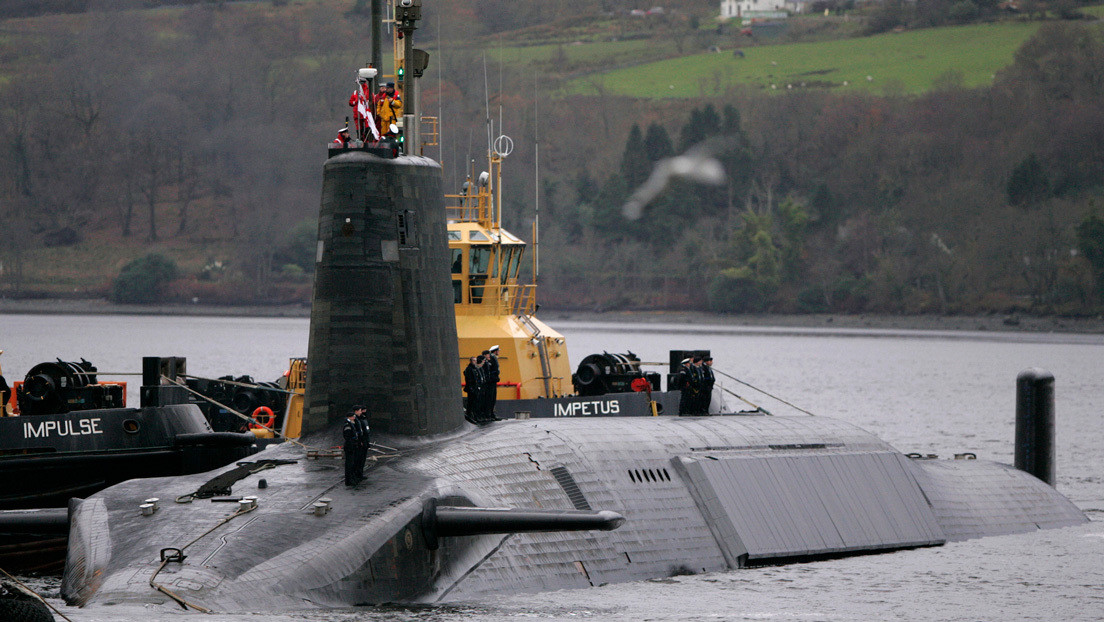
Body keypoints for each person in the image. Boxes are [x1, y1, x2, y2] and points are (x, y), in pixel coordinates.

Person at [348, 77, 380, 142]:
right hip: (357, 114)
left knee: (366, 128)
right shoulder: (356, 92)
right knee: (359, 129)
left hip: (365, 114)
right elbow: (351, 102)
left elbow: (373, 101)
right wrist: (355, 102)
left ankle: (366, 139)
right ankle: (360, 139)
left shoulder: (367, 92)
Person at [342, 409, 363, 486]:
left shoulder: (352, 424)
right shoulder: (348, 426)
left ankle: (352, 478)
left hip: (353, 445)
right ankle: (349, 480)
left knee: (353, 463)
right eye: (353, 417)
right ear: (350, 417)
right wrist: (352, 444)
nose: (354, 418)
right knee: (349, 464)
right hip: (350, 447)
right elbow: (347, 437)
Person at [463, 356, 483, 424]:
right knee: (471, 402)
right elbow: (469, 379)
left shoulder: (474, 369)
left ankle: (474, 416)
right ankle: (470, 415)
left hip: (475, 388)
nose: (475, 362)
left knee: (475, 403)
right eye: (474, 360)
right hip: (471, 389)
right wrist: (471, 388)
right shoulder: (469, 369)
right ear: (471, 361)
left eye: (476, 360)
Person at [485, 345, 501, 421]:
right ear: (495, 351)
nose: (499, 352)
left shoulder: (493, 358)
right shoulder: (491, 358)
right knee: (490, 398)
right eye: (498, 351)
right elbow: (492, 370)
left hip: (493, 381)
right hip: (491, 381)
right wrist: (494, 377)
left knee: (493, 398)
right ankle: (489, 414)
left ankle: (491, 414)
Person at [354, 405, 371, 476]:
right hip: (360, 442)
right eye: (361, 410)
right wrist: (360, 441)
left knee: (362, 458)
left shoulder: (363, 418)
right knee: (359, 459)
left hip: (365, 440)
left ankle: (360, 473)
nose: (362, 412)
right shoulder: (356, 420)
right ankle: (357, 473)